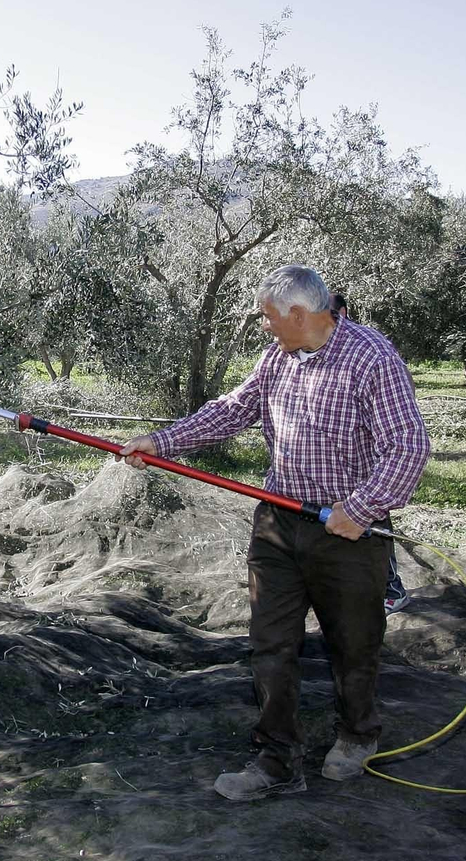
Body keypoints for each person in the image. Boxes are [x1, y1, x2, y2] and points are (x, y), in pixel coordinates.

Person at [119, 265, 430, 800]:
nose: (263, 325)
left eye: (267, 316)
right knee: (270, 643)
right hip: (279, 524)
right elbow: (232, 411)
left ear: (299, 314)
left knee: (353, 643)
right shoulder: (276, 358)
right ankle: (276, 758)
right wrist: (162, 442)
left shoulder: (372, 359)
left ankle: (358, 735)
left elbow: (408, 448)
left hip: (349, 531)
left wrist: (361, 509)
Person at [330, 292, 410, 616]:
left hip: (368, 460)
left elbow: (400, 428)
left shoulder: (369, 350)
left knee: (374, 522)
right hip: (336, 464)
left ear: (343, 312)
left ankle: (392, 590)